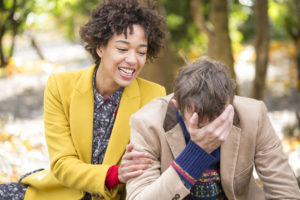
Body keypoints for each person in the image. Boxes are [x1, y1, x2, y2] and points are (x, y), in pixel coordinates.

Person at [0, 0, 166, 199]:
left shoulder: (154, 96)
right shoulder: (60, 87)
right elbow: (62, 163)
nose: (132, 60)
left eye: (141, 52)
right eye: (122, 49)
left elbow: (148, 168)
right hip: (60, 193)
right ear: (100, 47)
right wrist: (114, 174)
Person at [126, 59, 300, 200]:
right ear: (177, 105)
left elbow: (285, 192)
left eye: (219, 118)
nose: (211, 131)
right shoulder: (146, 123)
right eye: (200, 122)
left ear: (230, 103)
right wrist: (196, 152)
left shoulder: (253, 115)